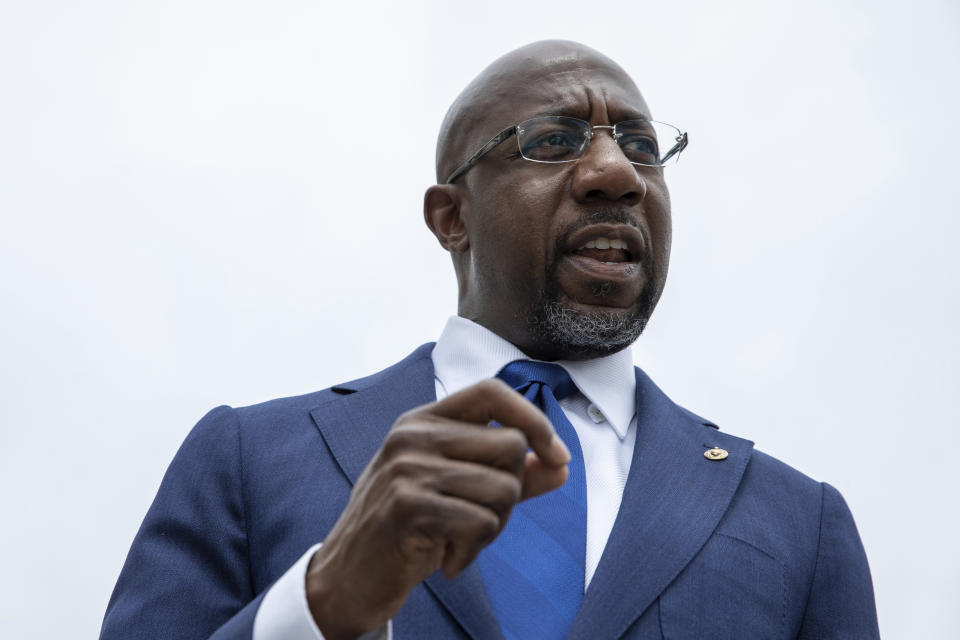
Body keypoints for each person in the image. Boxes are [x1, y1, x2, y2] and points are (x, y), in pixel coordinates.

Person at [100, 40, 880, 640]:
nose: (618, 174)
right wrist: (322, 603)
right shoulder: (247, 459)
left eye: (643, 148)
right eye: (551, 141)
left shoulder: (798, 522)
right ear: (452, 217)